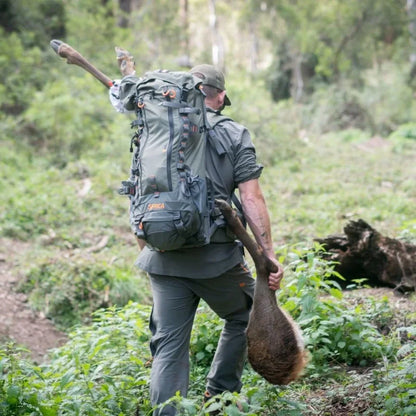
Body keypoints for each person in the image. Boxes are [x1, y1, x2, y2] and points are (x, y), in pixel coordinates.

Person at [111, 63, 284, 416]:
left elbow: (139, 192)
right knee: (247, 314)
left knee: (169, 347)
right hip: (216, 261)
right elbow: (252, 199)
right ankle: (220, 396)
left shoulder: (155, 130)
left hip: (161, 254)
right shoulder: (234, 133)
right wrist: (267, 255)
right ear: (219, 96)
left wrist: (148, 247)